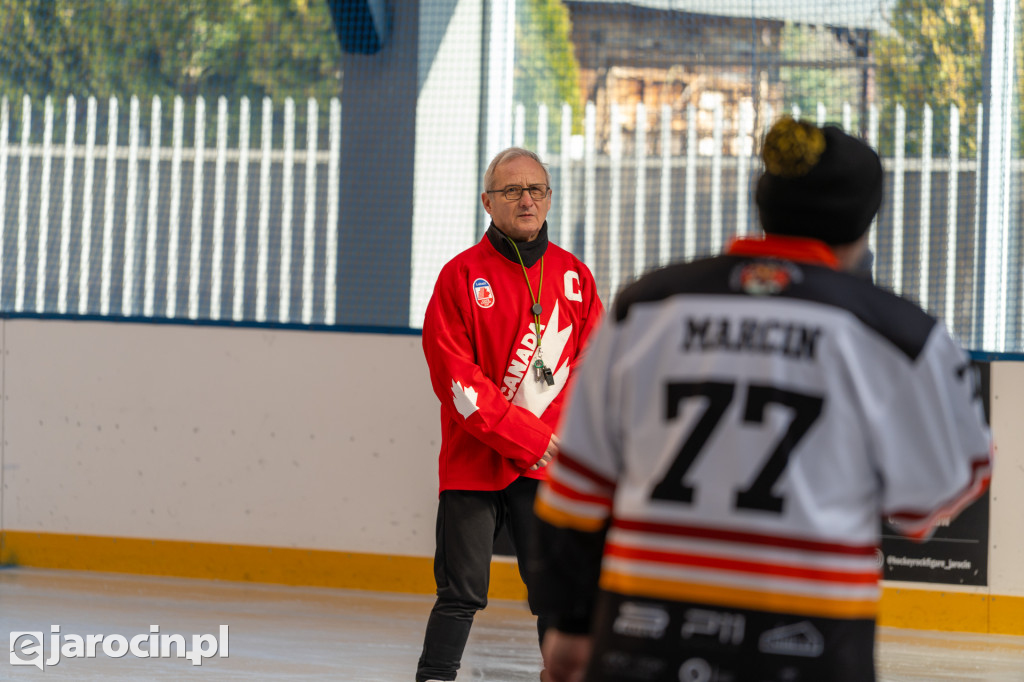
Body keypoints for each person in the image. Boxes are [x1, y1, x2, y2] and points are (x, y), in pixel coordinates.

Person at [530, 117, 993, 682]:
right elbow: (929, 501)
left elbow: (575, 493)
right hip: (810, 647)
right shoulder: (901, 337)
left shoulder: (643, 308)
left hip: (643, 640)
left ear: (763, 202)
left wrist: (571, 625)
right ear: (864, 223)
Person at [416, 147, 604, 682]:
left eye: (537, 189)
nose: (527, 200)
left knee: (554, 595)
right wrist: (528, 437)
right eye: (512, 191)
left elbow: (593, 373)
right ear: (487, 202)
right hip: (473, 465)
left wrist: (551, 442)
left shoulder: (575, 277)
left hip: (549, 466)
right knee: (460, 594)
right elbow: (457, 381)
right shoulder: (458, 278)